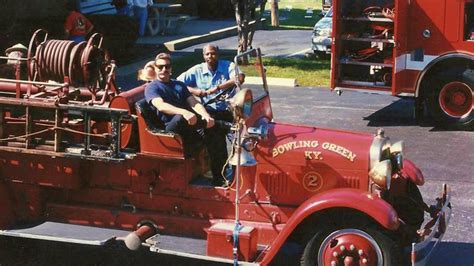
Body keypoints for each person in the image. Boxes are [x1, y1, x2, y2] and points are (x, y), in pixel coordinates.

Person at [144, 53, 229, 186]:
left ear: (171, 68)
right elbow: (160, 105)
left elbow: (194, 103)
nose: (164, 70)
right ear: (155, 68)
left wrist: (206, 116)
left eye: (167, 66)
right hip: (170, 130)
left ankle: (219, 175)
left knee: (215, 131)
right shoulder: (152, 87)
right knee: (180, 118)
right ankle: (222, 125)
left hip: (188, 126)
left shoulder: (179, 85)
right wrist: (184, 112)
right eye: (160, 67)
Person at [177, 44, 245, 122]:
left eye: (213, 53)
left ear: (218, 54)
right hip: (207, 112)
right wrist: (194, 91)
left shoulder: (228, 65)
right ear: (203, 56)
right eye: (207, 54)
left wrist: (218, 88)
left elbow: (240, 78)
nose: (210, 56)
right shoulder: (197, 70)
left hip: (229, 111)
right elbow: (178, 83)